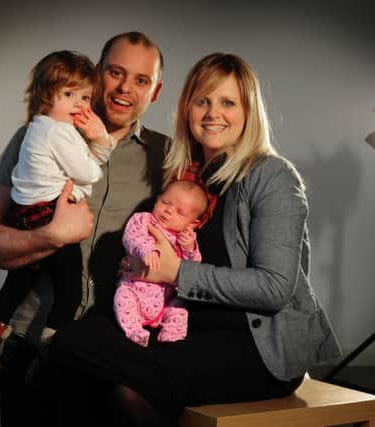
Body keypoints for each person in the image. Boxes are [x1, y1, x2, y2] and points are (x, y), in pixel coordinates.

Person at [28, 52, 343, 426]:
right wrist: (138, 265)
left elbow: (274, 287)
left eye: (228, 103)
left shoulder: (272, 176)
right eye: (202, 101)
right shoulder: (189, 175)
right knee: (67, 349)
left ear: (248, 112)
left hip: (255, 346)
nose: (213, 113)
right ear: (187, 108)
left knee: (122, 387)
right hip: (185, 327)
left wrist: (175, 272)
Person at [0, 32, 167, 426]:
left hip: (109, 354)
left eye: (141, 80)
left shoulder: (168, 157)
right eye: (115, 72)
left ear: (156, 91)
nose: (125, 87)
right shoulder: (33, 135)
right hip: (29, 346)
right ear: (97, 73)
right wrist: (52, 235)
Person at [0, 50, 115, 382]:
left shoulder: (36, 128)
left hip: (25, 215)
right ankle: (48, 360)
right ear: (47, 95)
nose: (79, 104)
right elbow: (88, 172)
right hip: (50, 216)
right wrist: (101, 141)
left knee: (16, 287)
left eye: (86, 97)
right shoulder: (59, 132)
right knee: (69, 294)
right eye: (68, 95)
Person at [115, 179, 208, 347]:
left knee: (179, 308)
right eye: (165, 202)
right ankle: (135, 332)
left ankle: (171, 339)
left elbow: (193, 270)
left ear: (193, 223)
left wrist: (190, 248)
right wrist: (146, 249)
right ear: (157, 199)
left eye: (180, 212)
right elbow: (131, 237)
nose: (168, 211)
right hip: (134, 288)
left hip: (165, 301)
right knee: (123, 297)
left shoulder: (185, 239)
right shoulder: (144, 220)